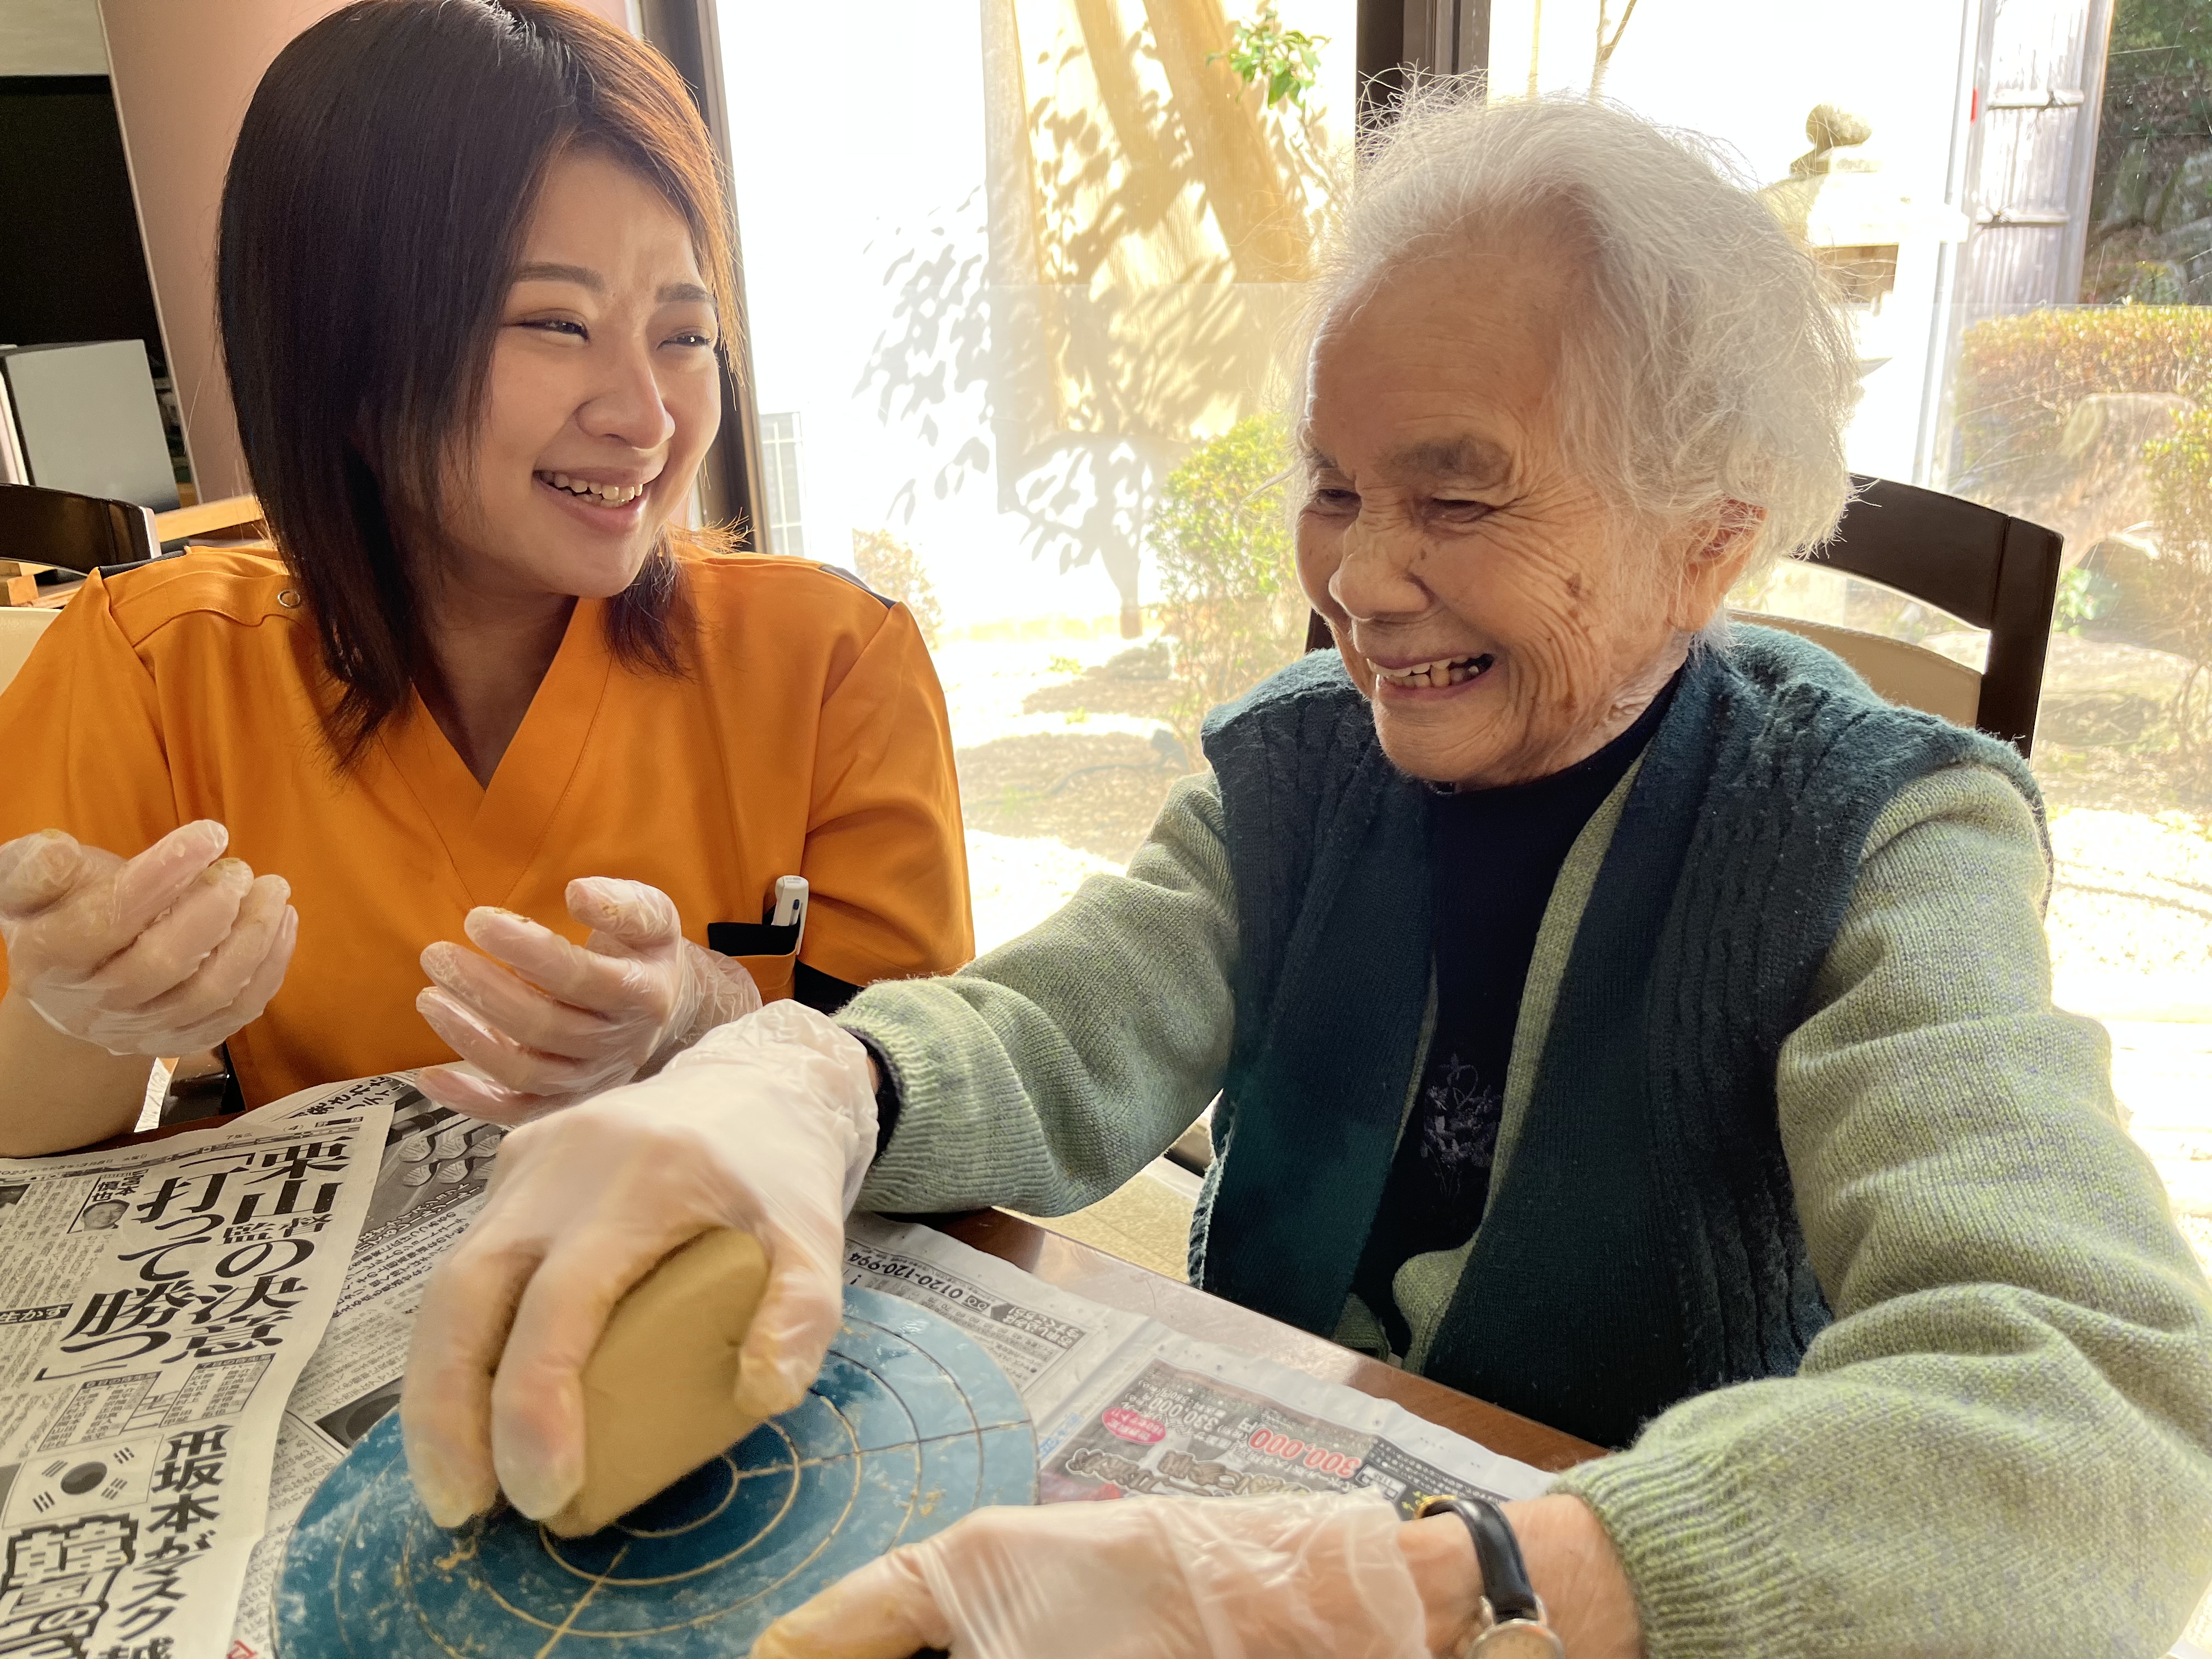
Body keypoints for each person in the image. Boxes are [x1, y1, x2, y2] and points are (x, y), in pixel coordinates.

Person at [401, 92, 2212, 1655]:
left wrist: (1462, 1590)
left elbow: (2112, 1410)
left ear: (1705, 540)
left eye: (1462, 494)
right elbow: (1061, 1032)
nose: (1359, 578)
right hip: (1258, 1483)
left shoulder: (1885, 836)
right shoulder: (1306, 764)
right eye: (1335, 484)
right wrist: (808, 1078)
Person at [0, 0, 970, 1154]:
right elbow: (35, 1136)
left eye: (684, 332)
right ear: (346, 357)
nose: (646, 416)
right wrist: (92, 1015)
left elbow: (930, 1100)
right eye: (555, 323)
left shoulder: (831, 664)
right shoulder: (153, 668)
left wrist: (706, 1011)